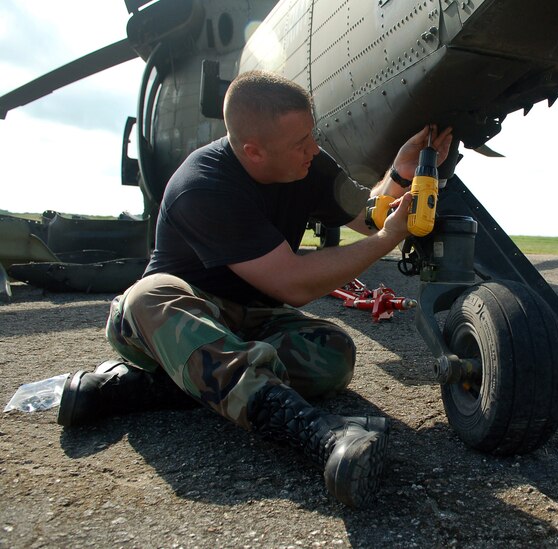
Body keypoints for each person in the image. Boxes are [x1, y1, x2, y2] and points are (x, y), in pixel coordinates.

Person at [56, 70, 453, 508]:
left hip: (248, 322)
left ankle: (160, 385)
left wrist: (399, 174)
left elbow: (366, 215)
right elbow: (293, 283)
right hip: (172, 321)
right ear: (254, 152)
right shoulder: (203, 186)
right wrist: (386, 242)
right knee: (150, 294)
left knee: (333, 353)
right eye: (301, 142)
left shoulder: (306, 165)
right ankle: (320, 436)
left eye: (311, 134)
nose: (314, 149)